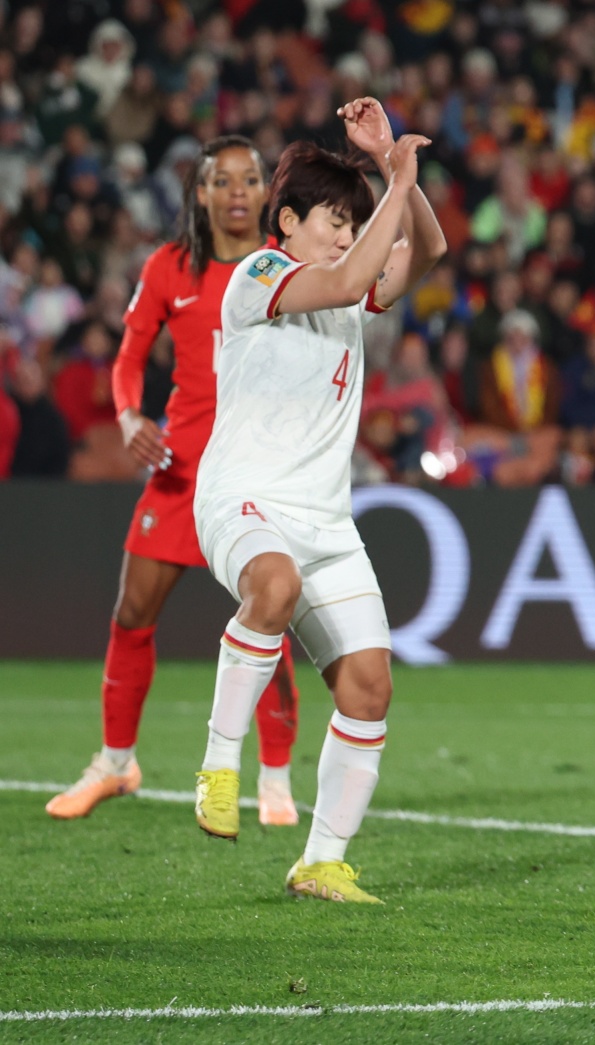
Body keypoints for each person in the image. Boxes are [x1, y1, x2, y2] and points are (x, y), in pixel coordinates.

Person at [191, 97, 445, 904]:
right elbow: (345, 272)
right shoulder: (257, 275)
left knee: (370, 684)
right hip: (244, 501)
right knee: (274, 586)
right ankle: (219, 763)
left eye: (353, 221)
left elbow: (430, 250)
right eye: (334, 218)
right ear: (288, 221)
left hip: (326, 523)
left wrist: (397, 176)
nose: (344, 232)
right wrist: (389, 176)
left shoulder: (347, 297)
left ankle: (323, 860)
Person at [46, 136, 305, 828]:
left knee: (268, 621)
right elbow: (129, 354)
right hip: (182, 465)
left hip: (254, 471)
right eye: (225, 180)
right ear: (202, 192)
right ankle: (114, 760)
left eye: (252, 179)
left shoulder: (286, 268)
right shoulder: (170, 267)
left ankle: (274, 777)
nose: (240, 191)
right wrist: (130, 414)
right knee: (132, 612)